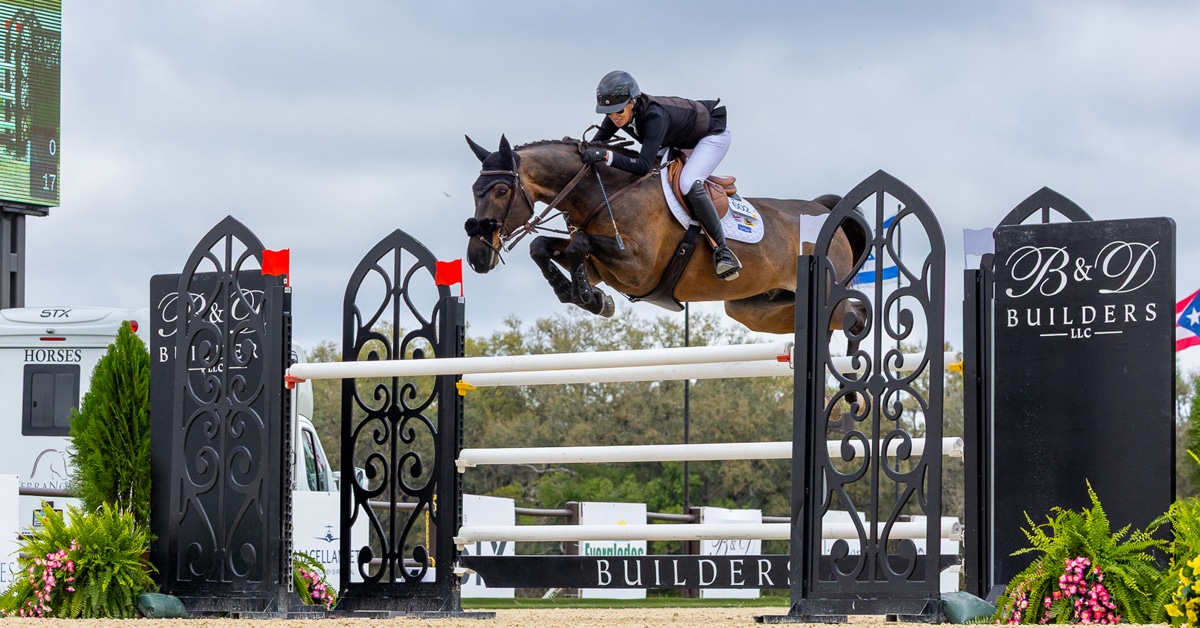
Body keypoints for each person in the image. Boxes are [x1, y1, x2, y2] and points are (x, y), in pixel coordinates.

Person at [583, 70, 741, 280]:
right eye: (608, 112)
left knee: (687, 183)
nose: (614, 117)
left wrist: (606, 156)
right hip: (678, 139)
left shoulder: (654, 116)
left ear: (632, 102)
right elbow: (596, 144)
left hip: (711, 134)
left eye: (618, 111)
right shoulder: (616, 114)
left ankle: (723, 251)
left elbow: (642, 165)